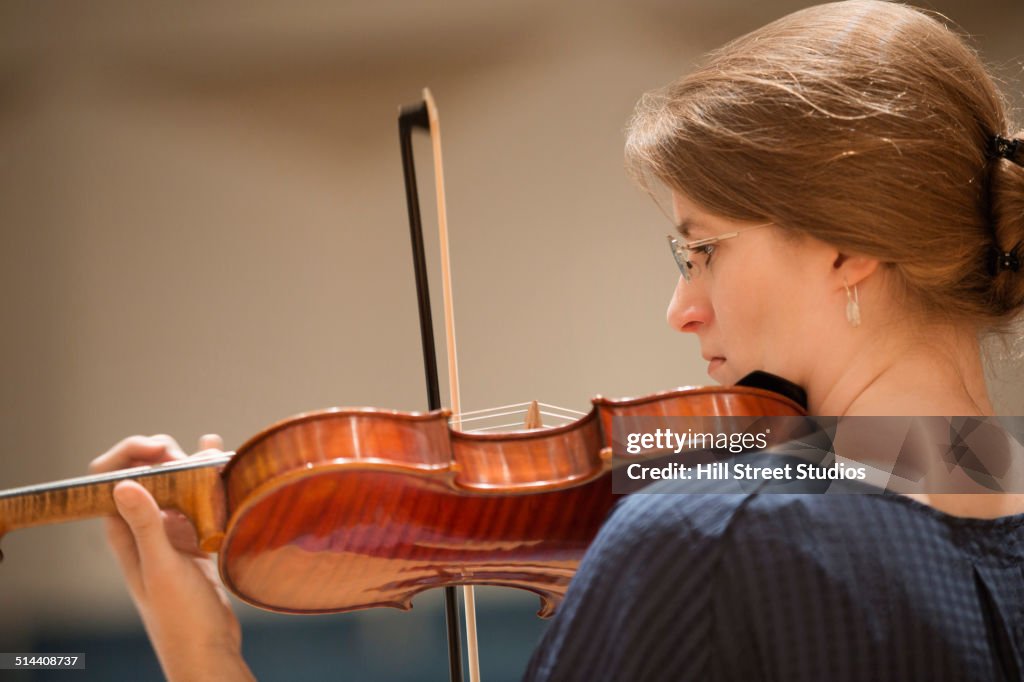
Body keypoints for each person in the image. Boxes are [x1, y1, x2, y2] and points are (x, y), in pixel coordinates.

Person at [90, 1, 1024, 679]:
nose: (682, 307)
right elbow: (939, 465)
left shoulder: (715, 536)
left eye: (701, 250)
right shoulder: (981, 490)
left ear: (848, 248)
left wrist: (202, 657)